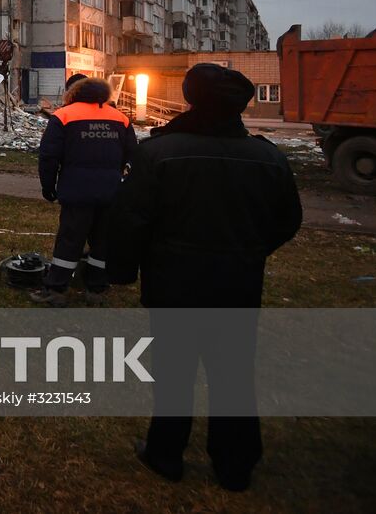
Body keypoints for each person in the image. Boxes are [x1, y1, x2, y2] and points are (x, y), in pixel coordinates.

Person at [108, 63, 302, 492]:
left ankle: (165, 455)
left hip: (174, 283)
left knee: (174, 371)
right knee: (233, 372)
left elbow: (131, 218)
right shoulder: (269, 157)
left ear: (190, 96)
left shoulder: (160, 152)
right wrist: (248, 252)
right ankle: (235, 465)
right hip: (238, 285)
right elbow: (288, 221)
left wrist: (124, 269)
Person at [32, 76, 135, 306]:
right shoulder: (120, 118)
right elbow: (133, 156)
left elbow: (49, 157)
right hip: (111, 192)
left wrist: (48, 187)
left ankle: (56, 288)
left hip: (77, 191)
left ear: (73, 93)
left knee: (70, 240)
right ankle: (96, 288)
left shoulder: (64, 115)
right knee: (103, 241)